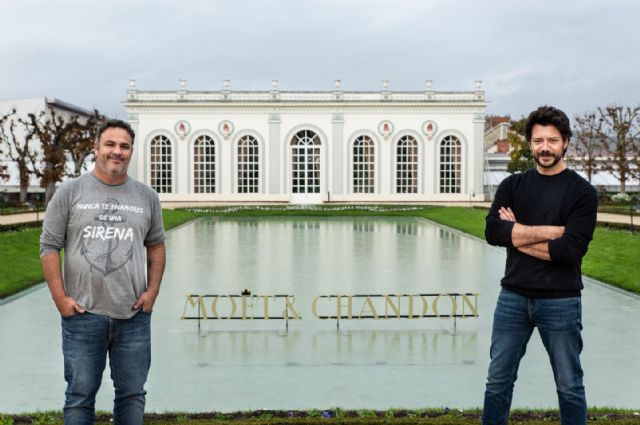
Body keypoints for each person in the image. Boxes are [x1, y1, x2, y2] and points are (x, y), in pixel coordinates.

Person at [40, 119, 166, 424]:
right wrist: (60, 299)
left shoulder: (146, 196)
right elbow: (49, 246)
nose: (117, 151)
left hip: (133, 316)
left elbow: (157, 246)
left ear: (131, 151)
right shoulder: (70, 192)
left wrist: (152, 292)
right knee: (80, 397)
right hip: (83, 315)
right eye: (110, 144)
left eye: (124, 146)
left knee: (132, 395)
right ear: (96, 147)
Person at [482, 106, 597, 425]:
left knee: (570, 386)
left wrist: (516, 233)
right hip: (513, 299)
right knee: (497, 383)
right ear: (529, 144)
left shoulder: (582, 192)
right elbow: (493, 232)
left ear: (565, 143)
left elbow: (570, 250)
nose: (544, 147)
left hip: (561, 300)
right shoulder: (512, 186)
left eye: (552, 140)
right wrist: (550, 232)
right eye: (538, 141)